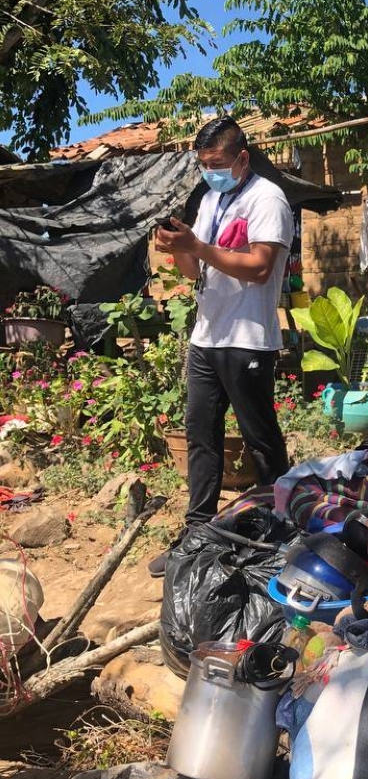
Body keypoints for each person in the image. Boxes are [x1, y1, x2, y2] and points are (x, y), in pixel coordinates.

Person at [149, 117, 294, 576]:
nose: (208, 171)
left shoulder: (268, 199)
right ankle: (198, 532)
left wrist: (198, 245)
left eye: (216, 163)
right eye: (203, 164)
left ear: (242, 159)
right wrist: (178, 246)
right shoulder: (211, 199)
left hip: (248, 340)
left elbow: (259, 268)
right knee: (201, 436)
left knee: (261, 439)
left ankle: (282, 529)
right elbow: (195, 273)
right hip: (207, 337)